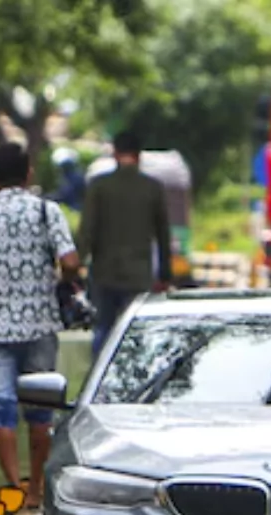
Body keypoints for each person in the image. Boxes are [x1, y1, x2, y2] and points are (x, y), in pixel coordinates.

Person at [0, 141, 80, 503]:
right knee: (40, 411)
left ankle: (13, 486)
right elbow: (70, 262)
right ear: (29, 174)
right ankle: (37, 491)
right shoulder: (47, 211)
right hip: (39, 326)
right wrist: (59, 276)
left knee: (1, 407)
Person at [77, 131, 172, 358]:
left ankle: (99, 382)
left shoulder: (99, 186)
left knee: (104, 329)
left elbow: (87, 230)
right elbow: (163, 234)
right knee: (136, 332)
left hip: (104, 273)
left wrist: (76, 266)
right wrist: (165, 275)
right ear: (139, 156)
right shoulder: (152, 188)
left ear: (115, 153)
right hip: (138, 275)